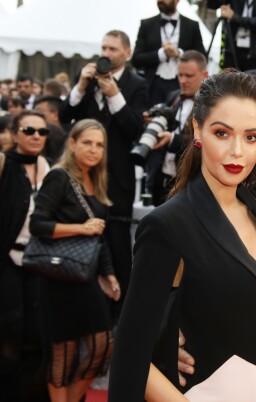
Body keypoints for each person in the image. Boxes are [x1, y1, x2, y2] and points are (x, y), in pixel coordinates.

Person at [108, 70, 256, 401]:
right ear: (198, 129)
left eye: (251, 137)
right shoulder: (169, 225)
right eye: (222, 133)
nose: (237, 151)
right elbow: (129, 358)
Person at [29, 119, 121, 402]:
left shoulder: (96, 179)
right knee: (63, 352)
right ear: (72, 144)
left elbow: (99, 236)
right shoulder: (60, 176)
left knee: (101, 346)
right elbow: (38, 224)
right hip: (57, 278)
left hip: (85, 277)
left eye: (99, 145)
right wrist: (80, 228)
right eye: (87, 143)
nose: (94, 150)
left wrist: (109, 275)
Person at [59, 30, 149, 308]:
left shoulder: (137, 85)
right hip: (84, 175)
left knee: (117, 243)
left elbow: (135, 130)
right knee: (84, 233)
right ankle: (85, 301)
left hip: (117, 178)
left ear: (127, 53)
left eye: (112, 49)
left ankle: (119, 310)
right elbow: (65, 116)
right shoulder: (86, 79)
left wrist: (115, 95)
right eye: (103, 48)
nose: (106, 54)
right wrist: (81, 87)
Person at [0, 110, 50, 401]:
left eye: (42, 132)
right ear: (16, 133)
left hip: (39, 263)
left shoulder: (49, 168)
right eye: (29, 130)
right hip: (7, 261)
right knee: (9, 331)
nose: (35, 136)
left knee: (35, 333)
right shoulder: (6, 164)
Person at [147, 50, 209, 206]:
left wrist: (172, 139)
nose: (183, 80)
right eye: (180, 75)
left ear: (204, 75)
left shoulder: (213, 105)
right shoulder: (173, 96)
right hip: (163, 179)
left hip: (191, 181)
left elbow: (207, 140)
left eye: (188, 76)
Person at [133, 0, 205, 106]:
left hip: (181, 84)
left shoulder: (192, 25)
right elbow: (136, 59)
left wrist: (179, 54)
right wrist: (161, 53)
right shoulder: (147, 24)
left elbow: (202, 57)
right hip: (153, 85)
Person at [212, 0, 256, 72]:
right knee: (228, 80)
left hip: (254, 54)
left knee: (251, 81)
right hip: (232, 50)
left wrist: (235, 18)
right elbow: (213, 4)